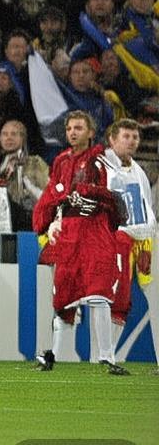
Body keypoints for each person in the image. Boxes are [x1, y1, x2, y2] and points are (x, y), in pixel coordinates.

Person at [31, 111, 128, 375]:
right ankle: (53, 355)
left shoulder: (102, 159)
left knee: (98, 293)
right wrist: (46, 220)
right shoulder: (61, 161)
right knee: (64, 297)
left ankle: (106, 357)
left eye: (79, 128)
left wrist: (91, 194)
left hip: (95, 233)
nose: (73, 132)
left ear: (90, 132)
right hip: (69, 235)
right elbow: (52, 195)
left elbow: (116, 196)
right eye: (70, 128)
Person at [97, 119, 155, 356]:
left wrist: (146, 239)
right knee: (105, 297)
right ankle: (102, 355)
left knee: (126, 300)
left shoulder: (138, 171)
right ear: (112, 139)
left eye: (135, 137)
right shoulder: (102, 165)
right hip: (111, 239)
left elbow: (146, 209)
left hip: (136, 241)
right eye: (126, 136)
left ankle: (108, 354)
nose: (132, 141)